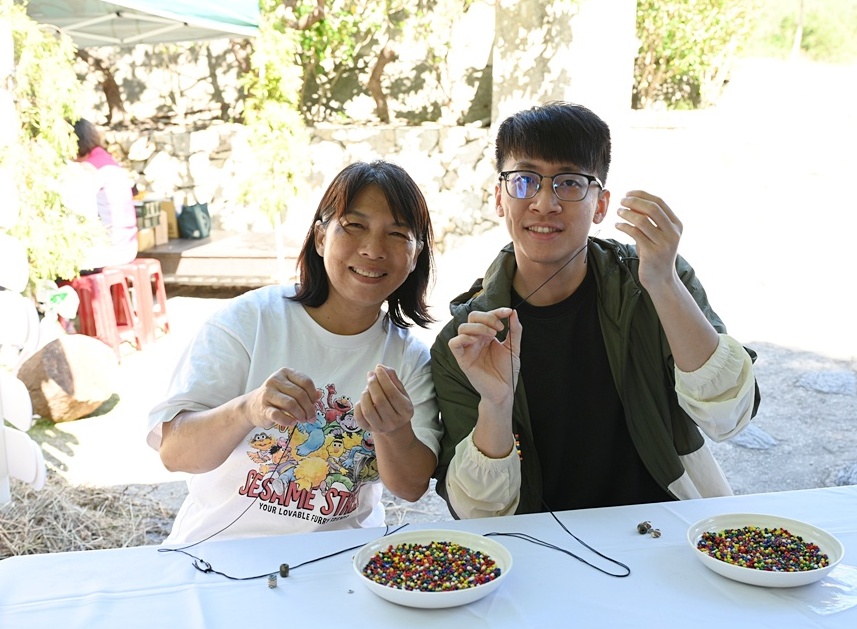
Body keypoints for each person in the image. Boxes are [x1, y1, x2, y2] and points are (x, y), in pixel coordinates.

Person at [431, 102, 761, 519]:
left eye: (569, 183)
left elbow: (728, 416)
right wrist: (496, 403)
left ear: (601, 205)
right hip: (541, 550)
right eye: (525, 181)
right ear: (500, 197)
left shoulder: (656, 279)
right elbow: (480, 514)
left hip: (668, 529)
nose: (544, 202)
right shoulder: (466, 342)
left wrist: (663, 283)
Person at [146, 160, 441, 544]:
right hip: (219, 552)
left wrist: (394, 429)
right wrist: (247, 409)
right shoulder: (248, 321)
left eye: (397, 233)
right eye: (355, 226)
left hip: (339, 559)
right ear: (321, 237)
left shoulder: (409, 358)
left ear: (416, 254)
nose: (373, 249)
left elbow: (412, 487)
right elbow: (174, 453)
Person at [72, 118, 138, 270]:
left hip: (110, 251)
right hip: (128, 244)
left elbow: (79, 212)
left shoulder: (90, 169)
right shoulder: (106, 161)